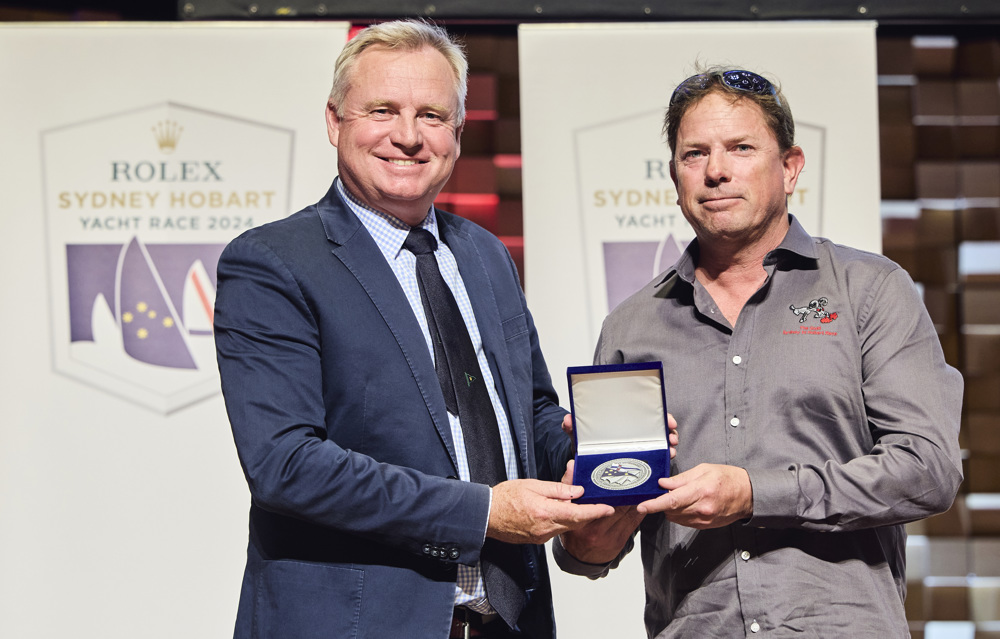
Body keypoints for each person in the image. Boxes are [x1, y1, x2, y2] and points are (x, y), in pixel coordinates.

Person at [214, 19, 616, 639]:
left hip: (507, 619)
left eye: (431, 115)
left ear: (457, 132)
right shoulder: (272, 264)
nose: (407, 136)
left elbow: (526, 415)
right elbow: (287, 465)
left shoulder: (485, 254)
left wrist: (597, 449)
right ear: (334, 122)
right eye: (382, 110)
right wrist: (482, 513)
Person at [554, 65, 964, 637]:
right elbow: (591, 553)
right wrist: (591, 531)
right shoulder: (632, 326)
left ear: (791, 167)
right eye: (694, 154)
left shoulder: (869, 290)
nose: (716, 171)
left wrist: (754, 495)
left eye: (741, 148)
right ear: (674, 177)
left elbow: (928, 470)